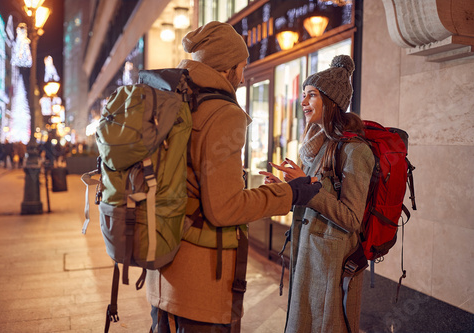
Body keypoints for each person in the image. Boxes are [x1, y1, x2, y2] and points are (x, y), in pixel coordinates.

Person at [146, 21, 321, 332]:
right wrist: (290, 194)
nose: (244, 76)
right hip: (201, 286)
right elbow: (224, 207)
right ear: (227, 68)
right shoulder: (223, 113)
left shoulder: (175, 100)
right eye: (242, 65)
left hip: (164, 269)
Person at [261, 55, 375, 332]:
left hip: (332, 265)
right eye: (303, 95)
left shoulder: (355, 150)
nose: (303, 102)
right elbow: (314, 198)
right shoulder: (320, 147)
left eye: (311, 95)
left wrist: (308, 189)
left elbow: (350, 218)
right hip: (311, 256)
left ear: (331, 101)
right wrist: (287, 189)